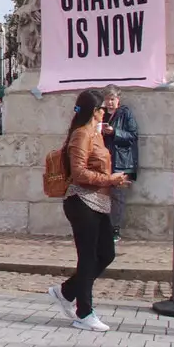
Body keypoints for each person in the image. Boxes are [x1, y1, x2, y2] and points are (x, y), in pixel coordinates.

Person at [47, 88, 128, 332]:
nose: (106, 111)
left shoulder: (96, 133)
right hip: (81, 201)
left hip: (99, 202)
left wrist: (111, 181)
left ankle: (66, 291)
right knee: (88, 257)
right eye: (103, 108)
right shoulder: (81, 135)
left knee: (106, 253)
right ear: (95, 111)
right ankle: (84, 312)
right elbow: (79, 172)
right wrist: (110, 180)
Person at [101, 86, 138, 241]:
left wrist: (115, 132)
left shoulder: (125, 113)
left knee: (118, 196)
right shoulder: (100, 114)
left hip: (121, 161)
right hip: (103, 161)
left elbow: (133, 135)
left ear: (118, 100)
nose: (110, 102)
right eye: (107, 99)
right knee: (101, 195)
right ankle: (102, 228)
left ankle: (115, 229)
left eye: (112, 99)